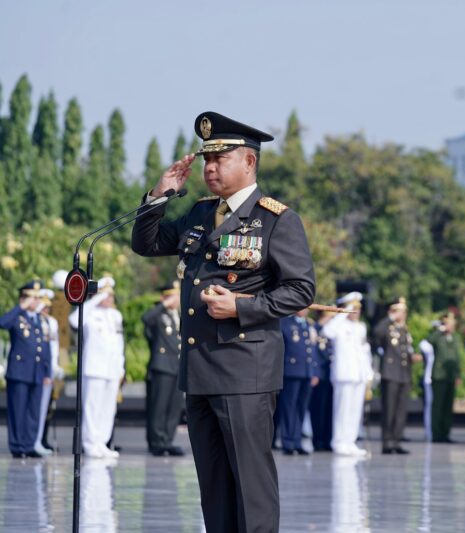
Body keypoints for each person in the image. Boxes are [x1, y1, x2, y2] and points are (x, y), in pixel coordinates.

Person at [131, 111, 316, 533]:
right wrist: (159, 195)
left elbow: (301, 290)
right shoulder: (198, 214)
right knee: (213, 490)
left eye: (221, 159)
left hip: (244, 372)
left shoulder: (276, 219)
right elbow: (147, 243)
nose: (210, 168)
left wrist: (241, 308)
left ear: (249, 162)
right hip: (198, 371)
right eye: (207, 160)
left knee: (251, 489)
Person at [68, 276, 125, 459]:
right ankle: (90, 443)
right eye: (105, 296)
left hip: (112, 369)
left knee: (108, 409)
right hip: (94, 369)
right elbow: (73, 320)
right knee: (92, 408)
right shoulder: (89, 313)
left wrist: (121, 368)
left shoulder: (115, 315)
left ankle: (102, 442)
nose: (109, 299)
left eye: (110, 296)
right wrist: (96, 298)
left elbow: (119, 343)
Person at [0, 280, 52, 458]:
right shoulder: (17, 316)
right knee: (18, 411)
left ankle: (29, 444)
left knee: (33, 411)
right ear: (24, 299)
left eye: (38, 298)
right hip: (19, 372)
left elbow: (45, 348)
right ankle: (17, 446)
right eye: (33, 298)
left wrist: (47, 372)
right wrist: (20, 307)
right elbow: (3, 323)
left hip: (37, 372)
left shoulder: (40, 319)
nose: (37, 302)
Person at [323, 292, 373, 457]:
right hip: (343, 374)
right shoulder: (339, 326)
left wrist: (368, 373)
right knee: (342, 410)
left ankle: (350, 442)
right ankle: (339, 442)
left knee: (354, 411)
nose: (356, 312)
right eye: (353, 309)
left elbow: (364, 352)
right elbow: (327, 332)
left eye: (358, 309)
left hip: (358, 375)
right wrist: (342, 313)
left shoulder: (361, 327)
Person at [142, 281, 185, 456]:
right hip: (162, 367)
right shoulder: (159, 315)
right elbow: (146, 319)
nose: (176, 300)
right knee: (158, 407)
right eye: (172, 297)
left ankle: (167, 440)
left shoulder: (179, 315)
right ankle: (156, 441)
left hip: (177, 366)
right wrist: (163, 304)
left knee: (174, 407)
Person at [372, 297, 416, 454]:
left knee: (400, 410)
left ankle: (397, 440)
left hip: (404, 373)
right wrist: (389, 317)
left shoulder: (403, 329)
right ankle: (387, 442)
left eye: (404, 311)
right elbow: (377, 333)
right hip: (390, 373)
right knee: (389, 409)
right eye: (399, 311)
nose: (402, 315)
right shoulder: (387, 327)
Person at [278, 308, 319, 455]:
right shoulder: (285, 323)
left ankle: (297, 440)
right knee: (289, 407)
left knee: (301, 408)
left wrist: (315, 372)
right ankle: (288, 441)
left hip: (307, 372)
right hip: (291, 371)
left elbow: (313, 350)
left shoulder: (309, 325)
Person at [419, 312, 462, 443]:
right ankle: (436, 433)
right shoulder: (438, 337)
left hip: (450, 377)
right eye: (448, 323)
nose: (451, 326)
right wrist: (440, 330)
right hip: (438, 376)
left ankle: (445, 433)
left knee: (448, 407)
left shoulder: (454, 338)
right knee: (437, 406)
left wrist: (457, 375)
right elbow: (428, 342)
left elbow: (456, 358)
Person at [33, 289, 63, 456]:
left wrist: (56, 366)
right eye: (43, 307)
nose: (46, 310)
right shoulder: (36, 320)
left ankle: (38, 440)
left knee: (44, 408)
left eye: (47, 307)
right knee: (34, 408)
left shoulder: (52, 322)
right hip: (37, 369)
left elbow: (54, 347)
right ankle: (32, 440)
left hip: (49, 370)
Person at [309, 312, 335, 451]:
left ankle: (327, 440)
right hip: (320, 375)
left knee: (329, 410)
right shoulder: (316, 328)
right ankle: (317, 440)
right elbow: (313, 351)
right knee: (318, 409)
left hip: (332, 374)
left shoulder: (332, 331)